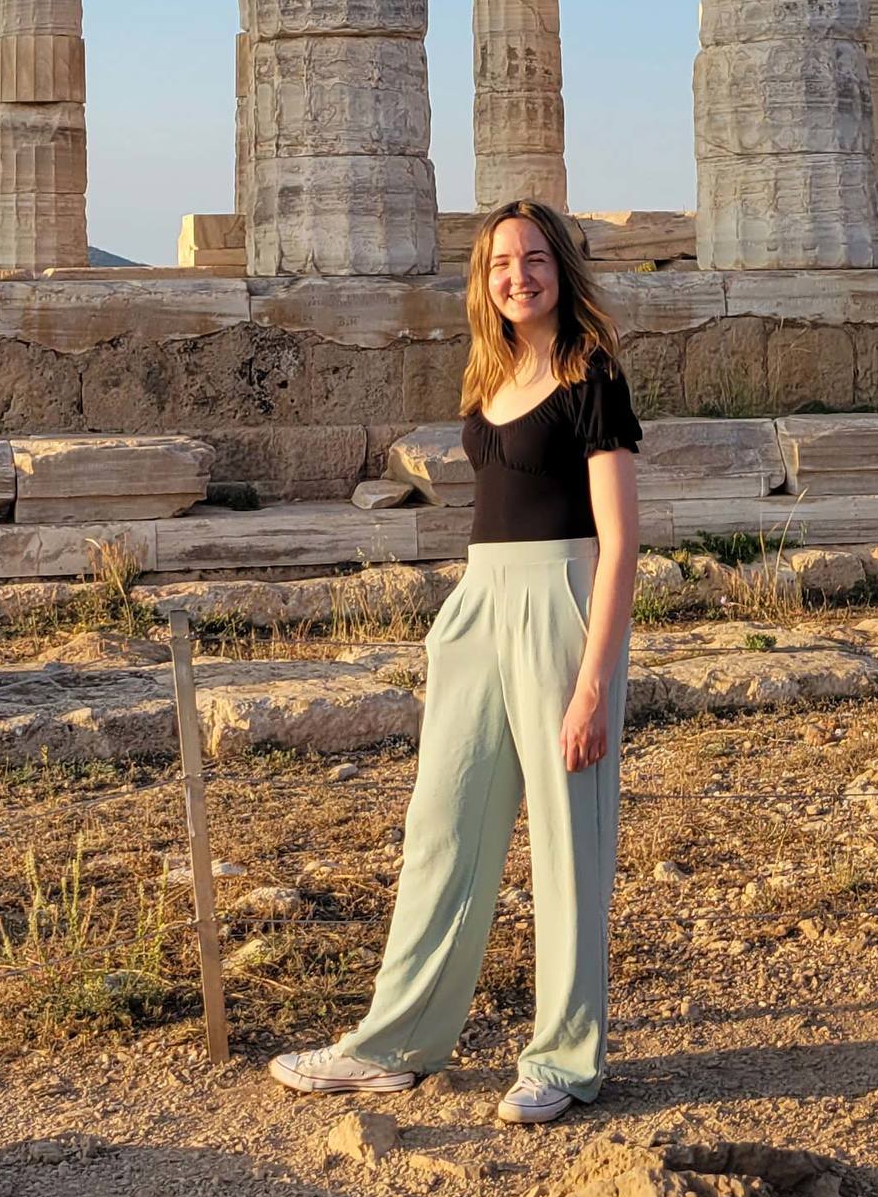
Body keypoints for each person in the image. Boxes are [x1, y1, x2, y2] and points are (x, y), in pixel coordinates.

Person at [267, 197, 642, 1125]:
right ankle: (393, 1044)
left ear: (563, 269)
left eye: (534, 259)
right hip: (479, 605)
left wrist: (593, 681)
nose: (518, 276)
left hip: (561, 601)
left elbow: (622, 541)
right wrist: (458, 618)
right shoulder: (486, 373)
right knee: (442, 826)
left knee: (567, 843)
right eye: (500, 264)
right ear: (484, 280)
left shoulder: (593, 374)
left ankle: (562, 1060)